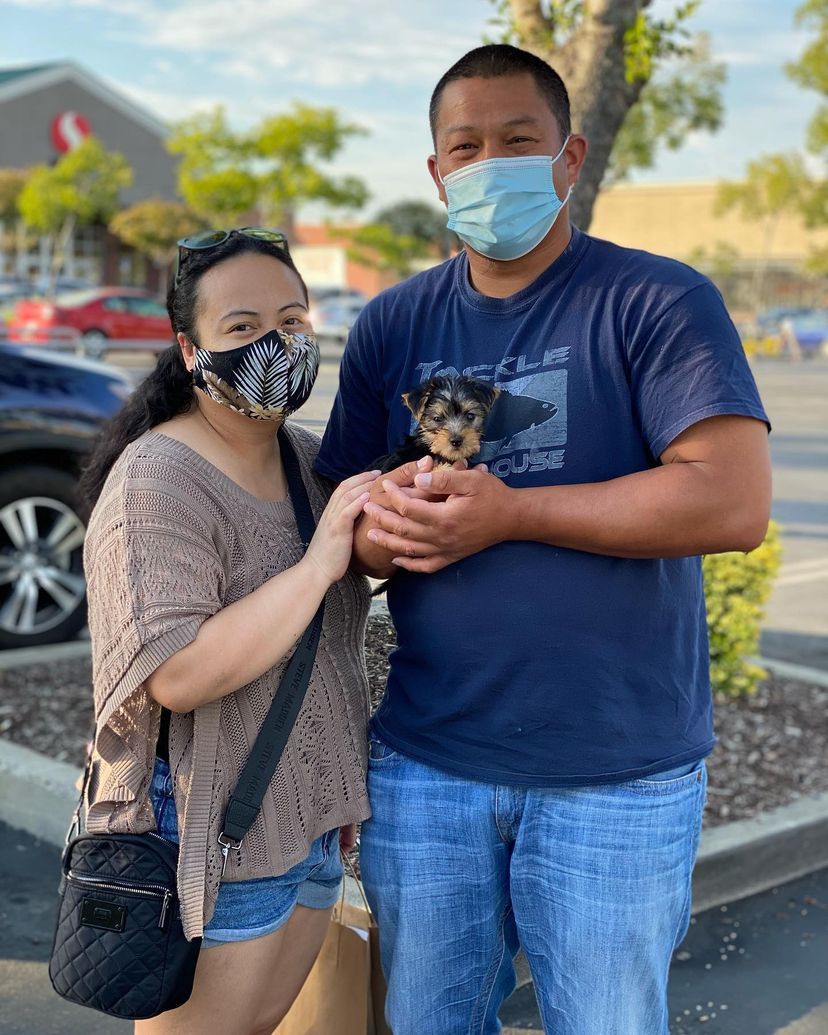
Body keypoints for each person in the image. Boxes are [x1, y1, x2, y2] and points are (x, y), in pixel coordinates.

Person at [316, 44, 772, 1035]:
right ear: (437, 174)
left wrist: (513, 512)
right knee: (430, 1022)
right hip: (430, 765)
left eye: (517, 141)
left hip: (618, 775)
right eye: (465, 147)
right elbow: (347, 526)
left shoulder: (656, 302)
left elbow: (732, 504)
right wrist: (385, 534)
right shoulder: (396, 323)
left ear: (569, 157)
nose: (490, 164)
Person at [78, 229, 379, 1035]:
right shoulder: (158, 479)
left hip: (310, 824)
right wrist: (318, 563)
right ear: (189, 348)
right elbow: (176, 671)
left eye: (293, 318)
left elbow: (326, 658)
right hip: (213, 843)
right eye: (243, 327)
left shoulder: (310, 463)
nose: (276, 344)